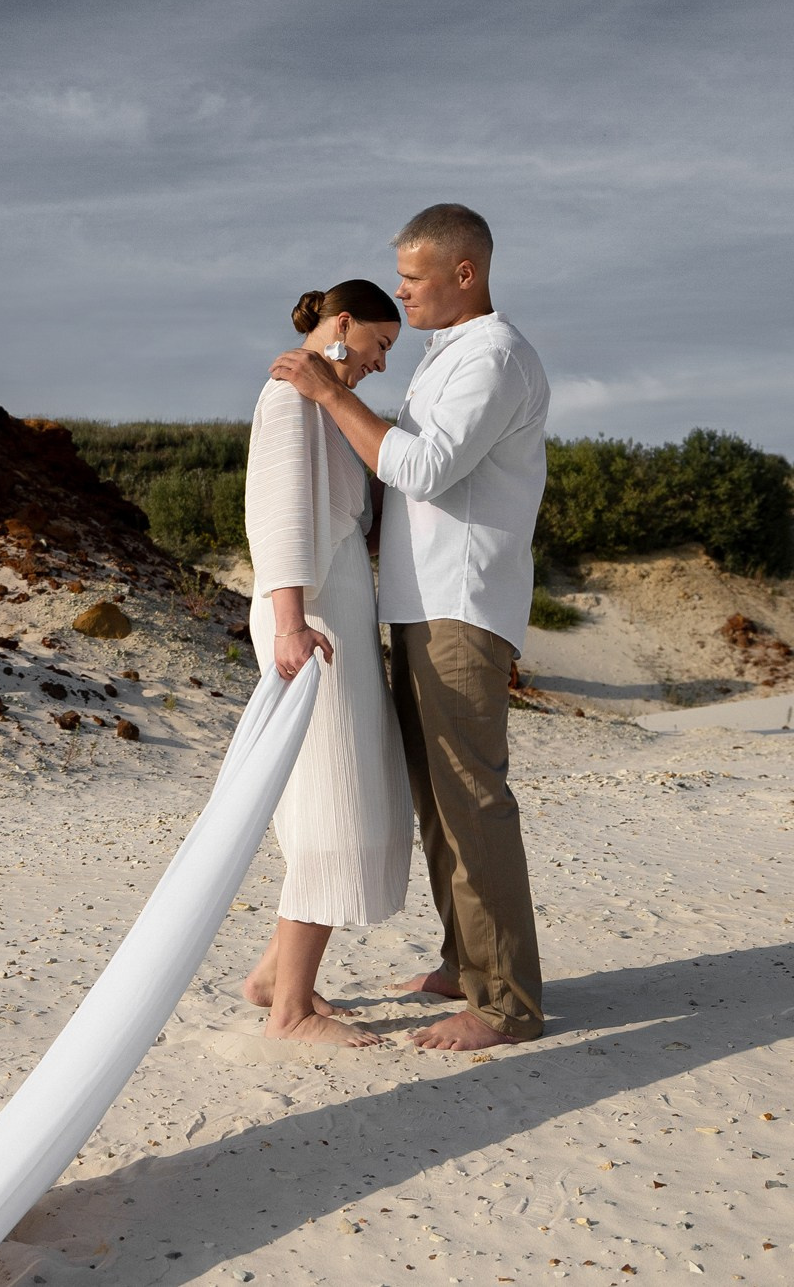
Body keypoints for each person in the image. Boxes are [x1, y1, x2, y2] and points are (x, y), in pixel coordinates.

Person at [270, 203, 550, 1051]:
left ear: (465, 274)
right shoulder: (445, 358)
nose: (403, 292)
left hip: (459, 606)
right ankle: (465, 962)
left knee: (470, 800)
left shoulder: (494, 356)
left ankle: (505, 1002)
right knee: (437, 799)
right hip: (419, 605)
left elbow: (423, 468)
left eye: (415, 279)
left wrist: (324, 390)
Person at [238, 278, 415, 1047]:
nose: (381, 363)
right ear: (343, 324)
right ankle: (292, 1011)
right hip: (305, 617)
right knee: (331, 806)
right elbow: (276, 517)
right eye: (380, 345)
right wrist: (288, 625)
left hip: (332, 610)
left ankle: (277, 975)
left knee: (345, 794)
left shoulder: (321, 404)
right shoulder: (288, 397)